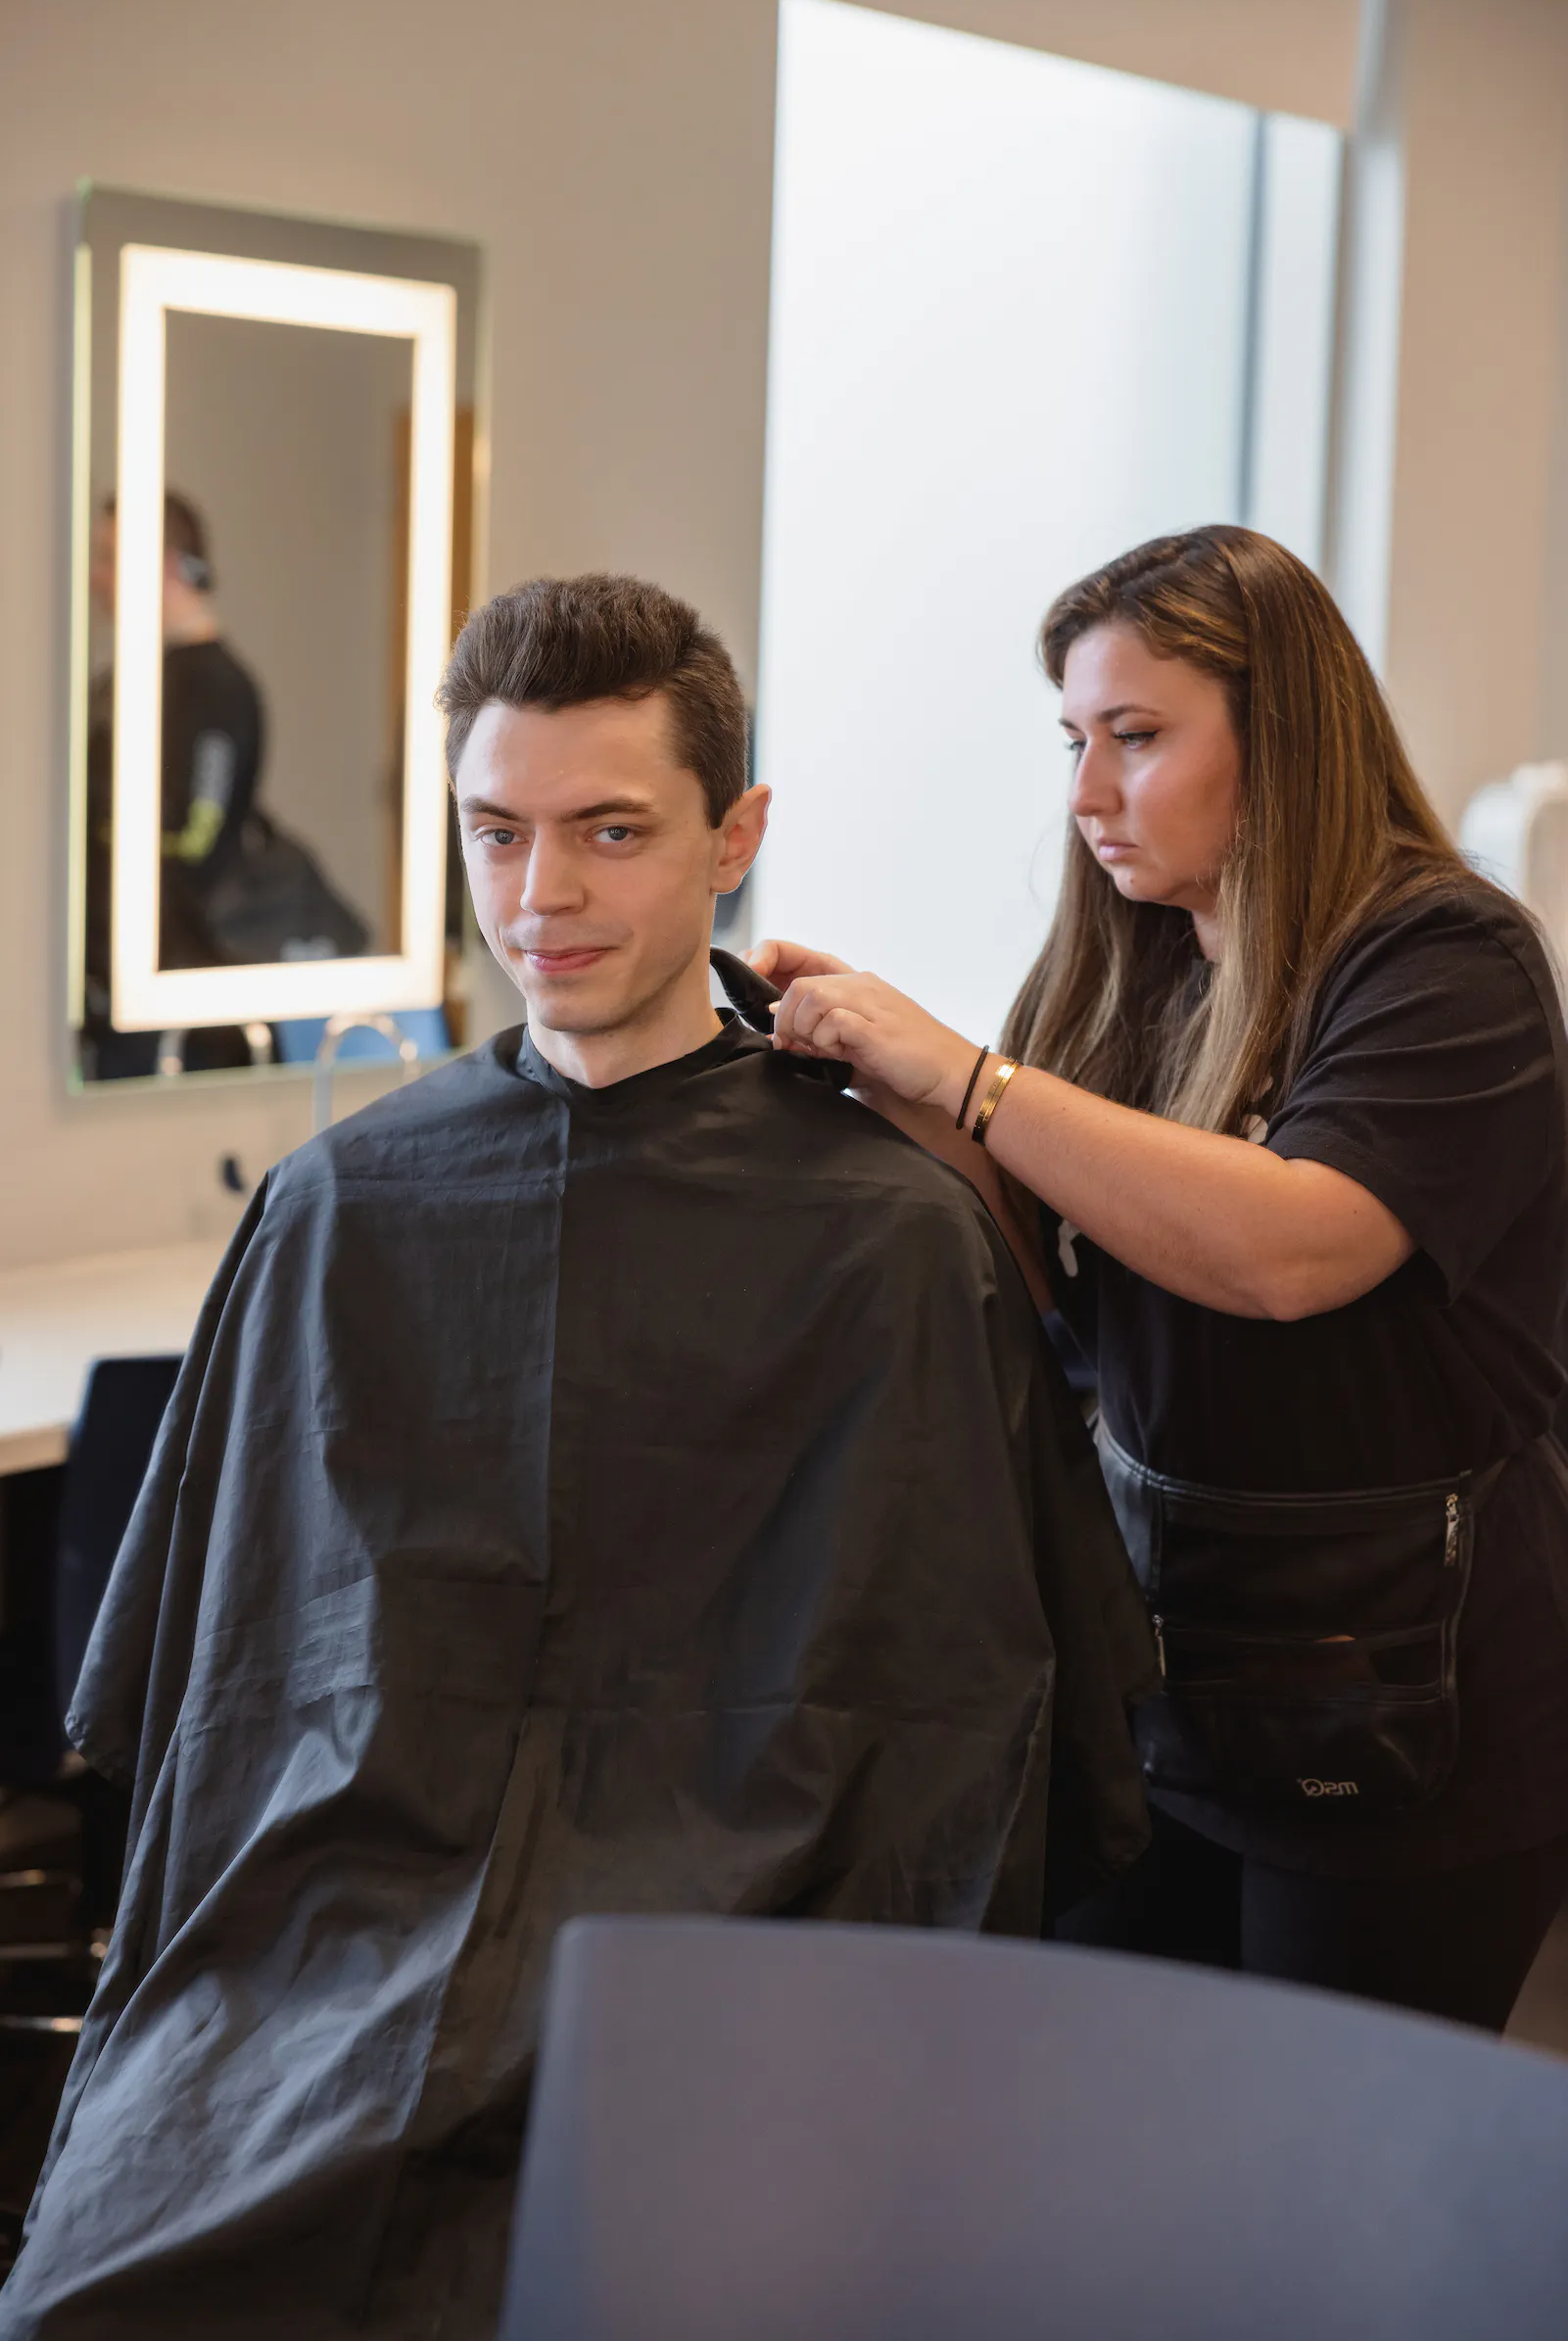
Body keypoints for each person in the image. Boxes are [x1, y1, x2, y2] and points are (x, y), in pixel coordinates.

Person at [5, 575, 1151, 2338]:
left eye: (610, 832)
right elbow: (213, 1702)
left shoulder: (890, 1236)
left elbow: (973, 1727)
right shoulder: (336, 1210)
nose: (541, 896)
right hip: (344, 1966)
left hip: (746, 1977)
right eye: (498, 832)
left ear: (733, 839)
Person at [753, 524, 1568, 2035]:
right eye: (1074, 741)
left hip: (1411, 1717)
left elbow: (1291, 1250)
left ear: (1285, 734)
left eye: (1134, 736)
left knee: (1318, 2158)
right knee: (1112, 2117)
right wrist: (891, 1087)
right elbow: (1057, 1276)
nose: (1086, 795)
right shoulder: (1128, 971)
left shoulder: (1447, 963)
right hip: (1170, 1681)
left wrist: (976, 1081)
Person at [83, 492, 264, 1074]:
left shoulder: (215, 688)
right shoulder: (126, 681)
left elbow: (195, 837)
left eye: (108, 557)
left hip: (178, 1016)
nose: (95, 577)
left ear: (163, 564)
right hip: (109, 994)